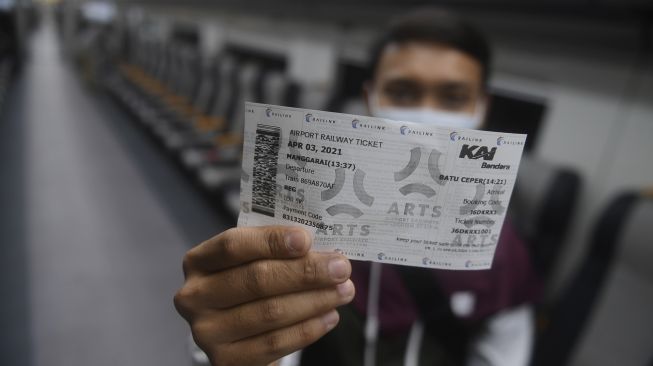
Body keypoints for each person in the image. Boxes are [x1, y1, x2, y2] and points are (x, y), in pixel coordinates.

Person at [174, 8, 540, 366]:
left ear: (482, 107)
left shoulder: (502, 252)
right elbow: (272, 344)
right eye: (403, 92)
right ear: (370, 99)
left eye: (453, 98)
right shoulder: (304, 222)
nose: (427, 116)